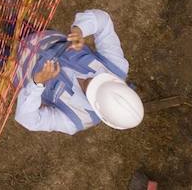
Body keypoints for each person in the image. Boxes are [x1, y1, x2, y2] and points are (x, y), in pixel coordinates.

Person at [13, 9, 144, 134]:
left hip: (14, 67)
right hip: (41, 37)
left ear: (98, 110)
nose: (90, 79)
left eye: (91, 88)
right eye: (101, 79)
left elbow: (28, 119)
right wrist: (80, 30)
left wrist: (37, 84)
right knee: (11, 19)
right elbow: (103, 22)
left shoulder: (75, 121)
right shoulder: (116, 66)